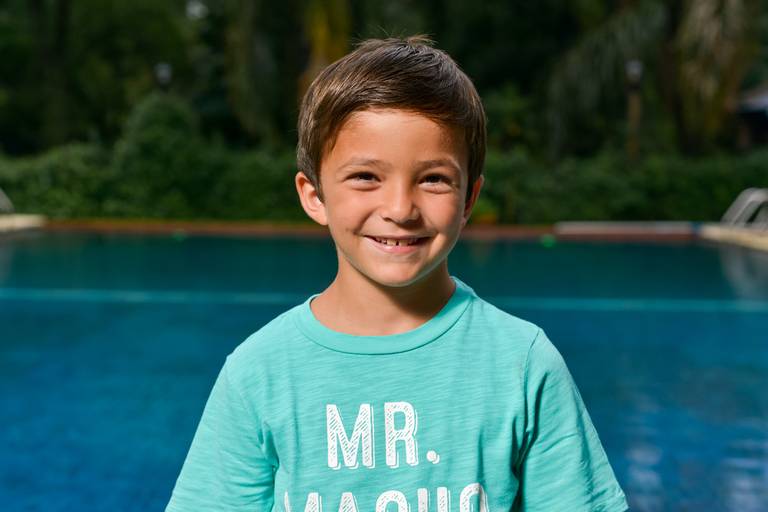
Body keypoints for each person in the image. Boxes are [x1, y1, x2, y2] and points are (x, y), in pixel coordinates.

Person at [166, 35, 629, 512]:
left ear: (469, 198)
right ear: (314, 195)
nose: (400, 208)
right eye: (366, 176)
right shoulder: (259, 373)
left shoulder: (523, 364)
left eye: (433, 179)